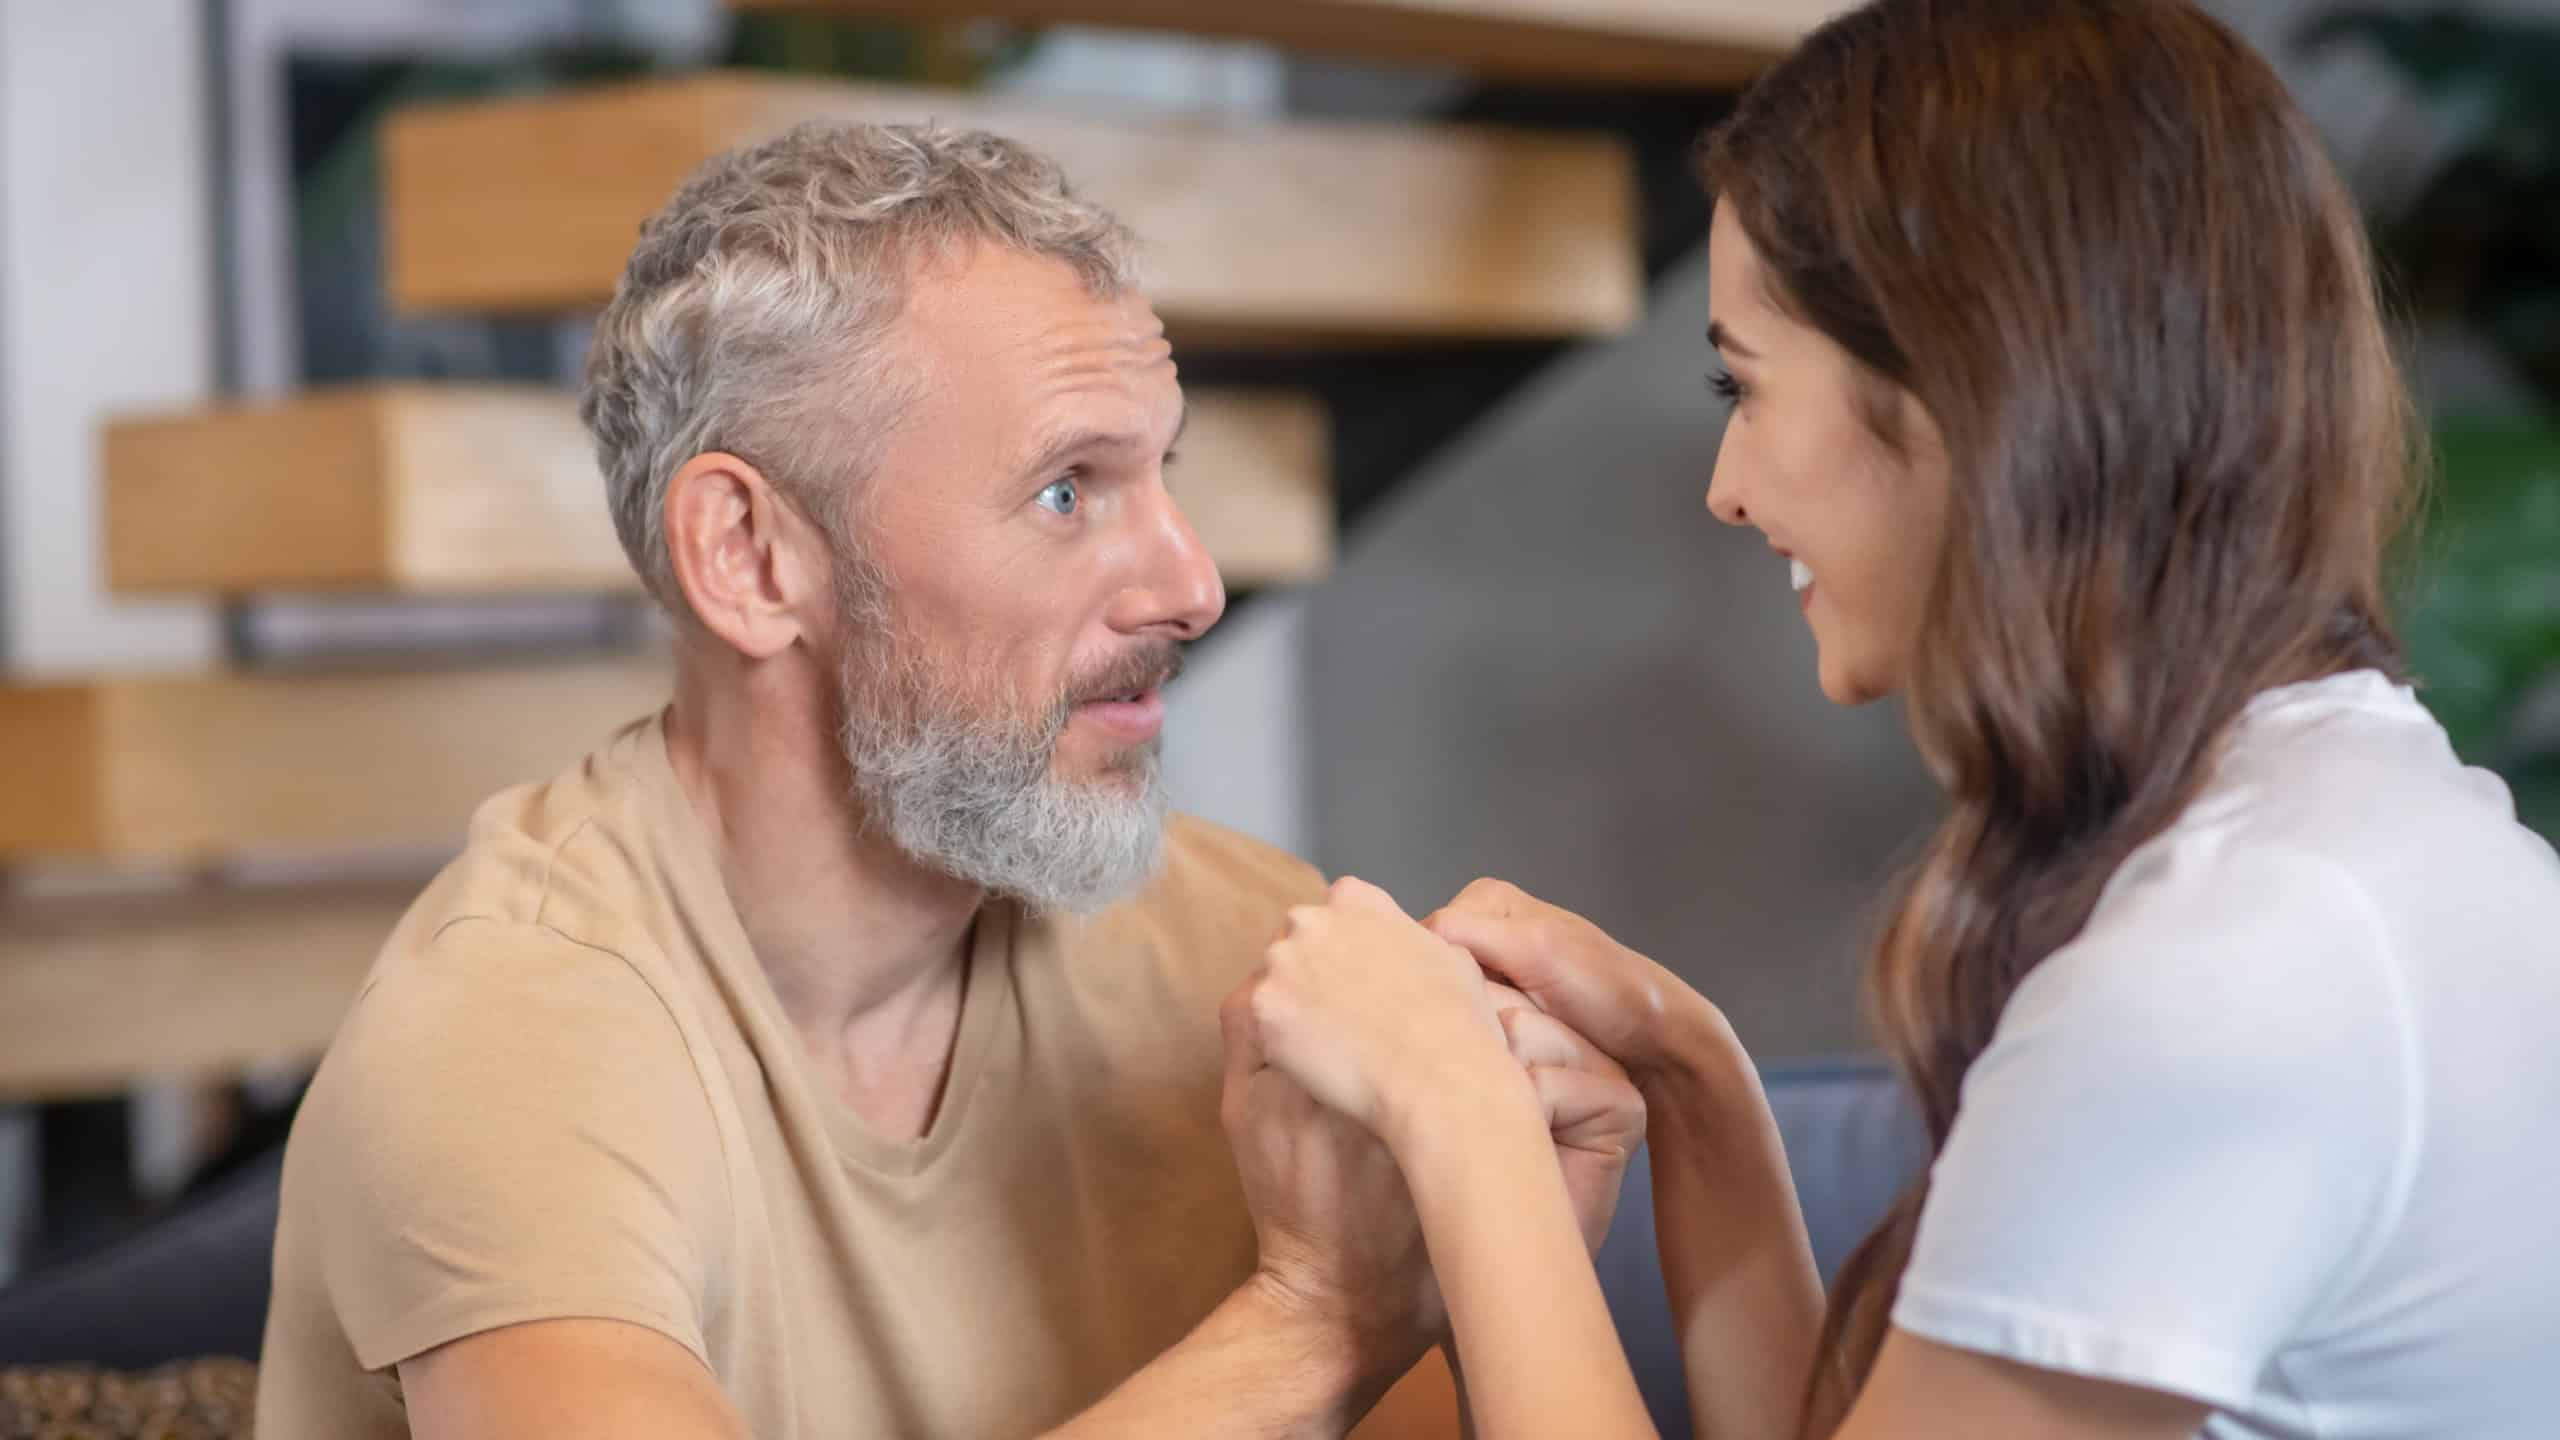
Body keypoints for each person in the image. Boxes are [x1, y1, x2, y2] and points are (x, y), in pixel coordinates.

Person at [1232, 1, 2560, 1437]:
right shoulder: (2354, 836)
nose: (1727, 485)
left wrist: (1453, 1118)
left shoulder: (2229, 969)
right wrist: (1698, 1083)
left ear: (1950, 387)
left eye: (1740, 383)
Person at [254, 123, 1644, 1439]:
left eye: (1162, 474)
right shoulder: (509, 1032)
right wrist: (1317, 1317)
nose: (1194, 582)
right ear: (747, 557)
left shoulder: (1248, 956)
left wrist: (1496, 1247)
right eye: (1066, 492)